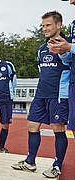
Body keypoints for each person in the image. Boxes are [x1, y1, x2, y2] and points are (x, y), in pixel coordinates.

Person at [11, 11, 70, 179]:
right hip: (40, 94)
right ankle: (30, 162)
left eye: (48, 25)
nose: (44, 29)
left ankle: (57, 165)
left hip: (58, 94)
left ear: (58, 25)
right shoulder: (42, 49)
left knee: (58, 128)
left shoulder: (67, 45)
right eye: (43, 26)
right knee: (32, 125)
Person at [48, 0, 75, 138]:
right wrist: (62, 51)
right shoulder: (74, 24)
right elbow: (70, 58)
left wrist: (69, 47)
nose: (70, 2)